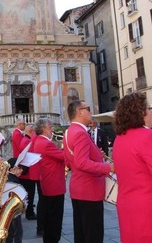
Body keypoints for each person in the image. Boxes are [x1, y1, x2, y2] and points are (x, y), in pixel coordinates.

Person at [63, 100, 114, 243]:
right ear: (80, 112)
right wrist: (107, 167)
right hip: (89, 191)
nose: (91, 112)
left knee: (81, 233)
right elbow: (82, 162)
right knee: (93, 235)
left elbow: (69, 161)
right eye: (88, 109)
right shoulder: (80, 133)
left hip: (78, 189)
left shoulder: (68, 131)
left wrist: (97, 155)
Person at [113, 92, 152, 243]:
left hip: (126, 204)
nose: (150, 112)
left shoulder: (120, 138)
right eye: (148, 108)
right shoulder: (147, 136)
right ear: (141, 112)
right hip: (146, 207)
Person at [34, 118, 66, 243]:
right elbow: (62, 156)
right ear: (44, 129)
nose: (52, 129)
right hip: (54, 185)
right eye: (50, 127)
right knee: (55, 218)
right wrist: (68, 147)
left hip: (48, 183)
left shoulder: (39, 141)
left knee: (49, 217)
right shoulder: (46, 143)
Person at [19, 124, 37, 220]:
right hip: (28, 174)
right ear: (31, 131)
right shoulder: (27, 141)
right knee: (30, 194)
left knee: (30, 194)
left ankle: (29, 211)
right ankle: (29, 213)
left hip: (27, 173)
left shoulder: (25, 140)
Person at [6, 158, 25, 243]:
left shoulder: (9, 178)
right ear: (11, 169)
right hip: (14, 212)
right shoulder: (12, 181)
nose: (21, 170)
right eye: (19, 168)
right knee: (17, 232)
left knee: (10, 232)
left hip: (10, 212)